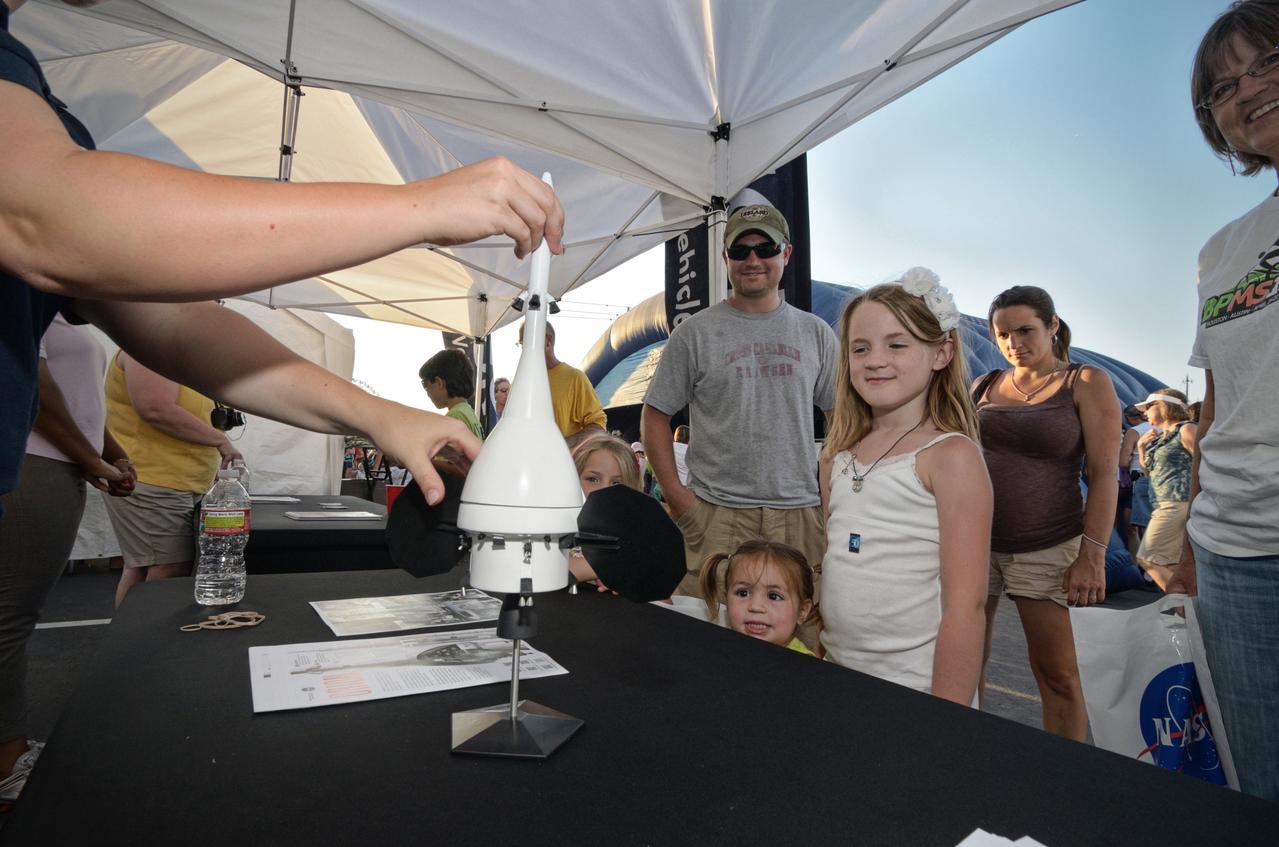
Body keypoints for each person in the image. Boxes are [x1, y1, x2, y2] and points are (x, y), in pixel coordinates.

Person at [1, 0, 563, 519]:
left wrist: (376, 414)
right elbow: (53, 216)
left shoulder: (33, 97)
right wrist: (422, 207)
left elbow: (176, 323)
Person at [1178, 0, 1279, 799]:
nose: (1245, 90)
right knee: (1258, 780)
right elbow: (1214, 405)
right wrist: (1187, 536)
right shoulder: (1221, 250)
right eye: (1221, 88)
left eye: (1266, 61)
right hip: (1235, 551)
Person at [641, 204, 838, 597]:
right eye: (740, 250)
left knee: (802, 638)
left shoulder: (815, 333)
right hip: (715, 514)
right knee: (707, 635)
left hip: (798, 516)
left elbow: (842, 421)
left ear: (786, 254)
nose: (753, 260)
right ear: (725, 257)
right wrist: (680, 500)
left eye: (765, 249)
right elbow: (653, 417)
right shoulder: (695, 333)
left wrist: (829, 506)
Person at [819, 272, 990, 706]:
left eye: (897, 344)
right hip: (838, 677)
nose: (875, 359)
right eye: (861, 348)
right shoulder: (835, 457)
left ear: (941, 353)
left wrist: (944, 717)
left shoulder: (950, 457)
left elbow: (966, 608)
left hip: (915, 691)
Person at [974, 285, 1120, 741]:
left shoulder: (1085, 381)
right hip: (976, 544)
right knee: (964, 663)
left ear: (1052, 326)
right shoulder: (984, 384)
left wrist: (1092, 556)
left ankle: (1063, 783)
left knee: (1056, 676)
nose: (1014, 343)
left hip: (1048, 546)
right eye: (1002, 334)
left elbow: (1104, 473)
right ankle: (964, 763)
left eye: (1025, 330)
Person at [0, 316, 135, 805]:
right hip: (33, 461)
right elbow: (32, 388)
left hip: (52, 462)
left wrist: (109, 450)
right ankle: (7, 764)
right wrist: (90, 456)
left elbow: (80, 403)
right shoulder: (22, 291)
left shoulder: (50, 309)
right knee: (10, 615)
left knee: (13, 614)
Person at [102, 352, 241, 608]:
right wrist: (220, 440)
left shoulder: (182, 359)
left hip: (178, 481)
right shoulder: (145, 349)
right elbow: (156, 408)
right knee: (167, 569)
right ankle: (145, 642)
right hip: (152, 479)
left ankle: (130, 641)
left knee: (145, 566)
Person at [699, 540, 817, 655]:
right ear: (727, 600)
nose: (755, 607)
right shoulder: (710, 651)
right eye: (743, 593)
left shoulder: (810, 670)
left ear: (802, 611)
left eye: (774, 596)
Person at [1133, 390, 1196, 590]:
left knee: (1148, 558)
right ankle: (1188, 612)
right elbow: (1150, 474)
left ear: (1164, 406)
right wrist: (1141, 448)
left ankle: (1186, 608)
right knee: (1172, 564)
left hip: (1178, 502)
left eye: (1149, 407)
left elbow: (1205, 464)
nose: (1145, 413)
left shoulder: (1186, 430)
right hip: (1164, 503)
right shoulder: (1162, 437)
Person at [516, 321, 607, 447]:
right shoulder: (522, 381)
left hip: (563, 465)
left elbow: (598, 426)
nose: (524, 350)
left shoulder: (575, 378)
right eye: (521, 344)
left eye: (527, 343)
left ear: (548, 341)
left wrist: (562, 445)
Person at [567, 434, 641, 585]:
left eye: (616, 484)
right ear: (571, 478)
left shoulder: (635, 537)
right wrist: (604, 567)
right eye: (593, 479)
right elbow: (534, 571)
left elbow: (664, 602)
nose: (603, 490)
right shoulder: (551, 528)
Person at [419, 349, 483, 439]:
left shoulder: (455, 417)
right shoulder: (468, 412)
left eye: (425, 384)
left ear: (439, 383)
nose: (427, 392)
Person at [1118, 403, 1154, 554]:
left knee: (1132, 527)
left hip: (1138, 479)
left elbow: (1123, 461)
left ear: (1130, 418)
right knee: (1152, 525)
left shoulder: (1134, 432)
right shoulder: (1159, 428)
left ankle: (1140, 564)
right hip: (1160, 479)